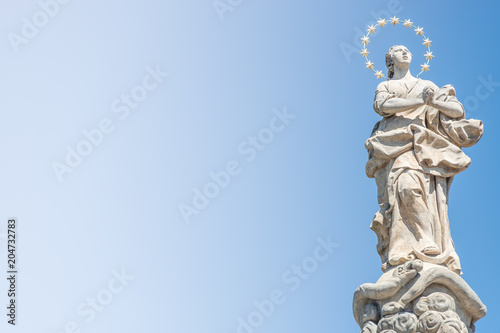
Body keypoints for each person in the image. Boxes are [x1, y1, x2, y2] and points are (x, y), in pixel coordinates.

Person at [365, 45, 483, 274]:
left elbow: (456, 110)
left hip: (423, 146)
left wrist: (434, 102)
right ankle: (406, 245)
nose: (405, 52)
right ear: (390, 62)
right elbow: (382, 106)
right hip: (394, 145)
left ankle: (427, 241)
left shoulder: (427, 86)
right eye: (399, 50)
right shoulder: (386, 86)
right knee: (401, 190)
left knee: (417, 190)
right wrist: (421, 102)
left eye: (407, 50)